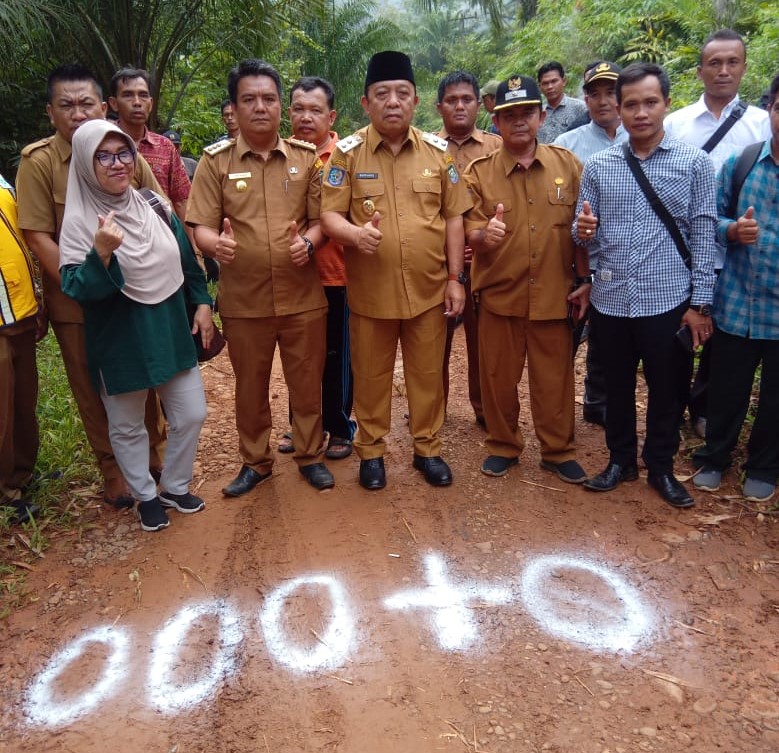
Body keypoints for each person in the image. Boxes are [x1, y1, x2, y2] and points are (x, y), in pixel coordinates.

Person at [16, 63, 167, 509]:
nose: (77, 113)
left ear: (103, 107)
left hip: (134, 294)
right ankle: (113, 468)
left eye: (86, 104)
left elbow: (160, 207)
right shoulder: (39, 162)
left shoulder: (122, 151)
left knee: (143, 374)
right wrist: (80, 279)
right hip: (77, 300)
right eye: (66, 105)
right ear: (51, 112)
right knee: (90, 384)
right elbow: (37, 234)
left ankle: (153, 454)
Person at [320, 50, 471, 491]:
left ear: (416, 101)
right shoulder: (346, 155)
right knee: (370, 377)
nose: (392, 102)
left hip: (428, 290)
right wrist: (353, 236)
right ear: (366, 103)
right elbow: (329, 216)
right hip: (371, 292)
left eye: (401, 93)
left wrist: (454, 279)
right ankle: (372, 452)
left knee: (427, 375)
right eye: (382, 94)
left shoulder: (438, 153)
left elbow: (454, 218)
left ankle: (428, 449)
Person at [188, 59, 334, 495]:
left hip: (302, 296)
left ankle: (309, 455)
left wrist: (308, 242)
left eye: (269, 98)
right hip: (244, 300)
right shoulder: (215, 163)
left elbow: (322, 219)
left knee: (307, 384)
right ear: (234, 107)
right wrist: (215, 245)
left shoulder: (306, 159)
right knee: (250, 388)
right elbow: (200, 225)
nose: (260, 107)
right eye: (249, 99)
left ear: (279, 106)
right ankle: (256, 462)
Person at [59, 120, 214, 532]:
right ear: (86, 164)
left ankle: (175, 486)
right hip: (120, 338)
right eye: (104, 156)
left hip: (168, 327)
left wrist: (201, 302)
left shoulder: (153, 205)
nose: (117, 164)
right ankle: (146, 496)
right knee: (127, 426)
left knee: (192, 412)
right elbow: (76, 288)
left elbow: (186, 259)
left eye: (124, 153)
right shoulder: (79, 222)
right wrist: (102, 255)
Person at [575, 62, 717, 509]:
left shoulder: (694, 163)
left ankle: (660, 466)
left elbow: (704, 235)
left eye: (649, 103)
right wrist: (583, 231)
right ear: (618, 108)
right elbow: (582, 234)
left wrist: (701, 305)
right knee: (615, 385)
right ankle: (620, 461)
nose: (640, 113)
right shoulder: (598, 166)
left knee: (668, 389)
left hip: (668, 300)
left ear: (666, 105)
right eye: (631, 104)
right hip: (613, 299)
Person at [464, 75, 591, 482]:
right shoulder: (479, 173)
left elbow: (580, 228)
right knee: (498, 379)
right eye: (509, 115)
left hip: (555, 296)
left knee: (554, 380)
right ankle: (503, 445)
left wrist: (585, 276)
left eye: (527, 113)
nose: (519, 121)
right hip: (501, 296)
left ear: (540, 116)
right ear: (497, 122)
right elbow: (467, 230)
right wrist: (484, 235)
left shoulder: (567, 164)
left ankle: (557, 449)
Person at [664, 29, 771, 438]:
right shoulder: (676, 124)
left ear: (744, 67)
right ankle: (671, 411)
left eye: (732, 62)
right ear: (700, 70)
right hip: (683, 251)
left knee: (724, 344)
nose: (723, 71)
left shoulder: (763, 124)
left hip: (742, 257)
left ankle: (706, 410)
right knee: (676, 336)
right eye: (714, 63)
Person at [692, 73, 779, 503]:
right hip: (738, 302)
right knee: (727, 388)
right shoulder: (743, 163)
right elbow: (711, 219)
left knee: (776, 398)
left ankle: (763, 466)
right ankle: (715, 457)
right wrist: (732, 230)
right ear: (771, 112)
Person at [275, 76, 356, 460]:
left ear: (331, 115)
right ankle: (302, 425)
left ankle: (340, 426)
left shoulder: (347, 156)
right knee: (300, 357)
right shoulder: (282, 156)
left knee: (337, 356)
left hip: (337, 274)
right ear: (289, 112)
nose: (306, 117)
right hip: (295, 277)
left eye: (315, 110)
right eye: (298, 109)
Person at [554, 60, 627, 428]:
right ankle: (557, 414)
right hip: (575, 263)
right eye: (594, 94)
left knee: (611, 341)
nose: (603, 101)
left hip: (623, 264)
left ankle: (599, 403)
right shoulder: (567, 147)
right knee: (563, 341)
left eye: (611, 92)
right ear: (584, 99)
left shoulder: (643, 140)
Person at [436, 70, 502, 427]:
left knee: (485, 342)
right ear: (439, 106)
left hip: (486, 262)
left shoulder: (497, 147)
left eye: (467, 99)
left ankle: (484, 409)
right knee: (434, 342)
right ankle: (432, 410)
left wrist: (478, 240)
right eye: (451, 100)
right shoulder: (428, 147)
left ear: (480, 104)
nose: (459, 106)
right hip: (440, 265)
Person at [0, 174, 41, 525]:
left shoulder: (2, 182)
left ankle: (21, 473)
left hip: (19, 308)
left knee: (22, 401)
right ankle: (4, 491)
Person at [109, 68, 192, 225]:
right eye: (128, 95)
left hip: (164, 237)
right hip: (117, 239)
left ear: (151, 103)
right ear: (114, 103)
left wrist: (192, 248)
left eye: (143, 95)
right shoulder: (102, 148)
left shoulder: (165, 147)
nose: (137, 102)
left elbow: (181, 200)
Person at [536, 62, 588, 143]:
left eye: (554, 81)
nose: (550, 87)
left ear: (564, 81)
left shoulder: (580, 108)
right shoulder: (538, 114)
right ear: (540, 87)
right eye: (545, 83)